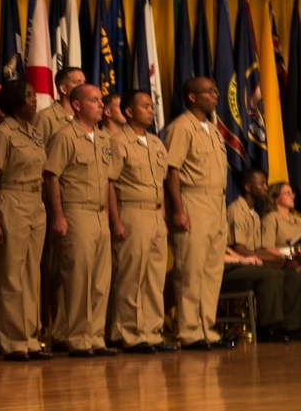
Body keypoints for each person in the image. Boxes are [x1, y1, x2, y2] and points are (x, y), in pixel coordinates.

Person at [43, 84, 118, 357]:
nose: (101, 105)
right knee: (78, 279)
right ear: (77, 105)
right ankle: (76, 337)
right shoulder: (65, 136)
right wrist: (58, 215)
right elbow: (52, 176)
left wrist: (110, 218)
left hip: (100, 214)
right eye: (94, 100)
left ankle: (95, 336)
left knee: (100, 280)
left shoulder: (103, 138)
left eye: (101, 100)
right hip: (77, 212)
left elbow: (109, 181)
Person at [164, 76, 234, 350]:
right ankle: (190, 330)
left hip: (216, 204)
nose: (215, 95)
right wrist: (178, 209)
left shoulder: (213, 129)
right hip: (193, 201)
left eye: (215, 91)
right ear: (192, 97)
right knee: (190, 269)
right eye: (208, 91)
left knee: (212, 270)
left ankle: (207, 327)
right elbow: (172, 171)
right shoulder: (182, 127)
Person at [0, 80, 52, 362]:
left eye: (33, 95)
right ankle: (12, 340)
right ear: (14, 102)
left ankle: (29, 336)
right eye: (27, 96)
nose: (34, 100)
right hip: (10, 199)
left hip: (34, 203)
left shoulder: (35, 134)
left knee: (29, 273)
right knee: (11, 273)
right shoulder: (3, 133)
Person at [106, 90, 176, 353]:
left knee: (154, 277)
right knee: (130, 276)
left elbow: (162, 183)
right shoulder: (118, 142)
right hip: (131, 213)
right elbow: (109, 184)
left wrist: (163, 217)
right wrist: (115, 221)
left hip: (156, 215)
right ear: (128, 112)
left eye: (151, 106)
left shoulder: (156, 143)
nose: (151, 110)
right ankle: (128, 333)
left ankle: (152, 332)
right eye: (144, 106)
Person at [33, 66, 85, 349]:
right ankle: (51, 328)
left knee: (75, 272)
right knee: (53, 268)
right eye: (77, 82)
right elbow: (41, 163)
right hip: (55, 203)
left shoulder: (86, 120)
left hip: (82, 202)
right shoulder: (46, 119)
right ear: (63, 89)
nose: (83, 85)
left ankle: (71, 328)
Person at [228, 171, 301, 341]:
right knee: (272, 274)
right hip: (237, 261)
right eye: (261, 184)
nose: (265, 188)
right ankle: (267, 327)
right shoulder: (236, 210)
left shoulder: (253, 214)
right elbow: (239, 248)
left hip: (252, 259)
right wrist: (278, 260)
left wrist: (283, 261)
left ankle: (291, 326)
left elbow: (258, 249)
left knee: (293, 275)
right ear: (247, 187)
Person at [264, 182, 301, 246]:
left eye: (292, 193)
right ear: (275, 198)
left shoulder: (298, 220)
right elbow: (267, 249)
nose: (292, 196)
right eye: (287, 193)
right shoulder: (270, 219)